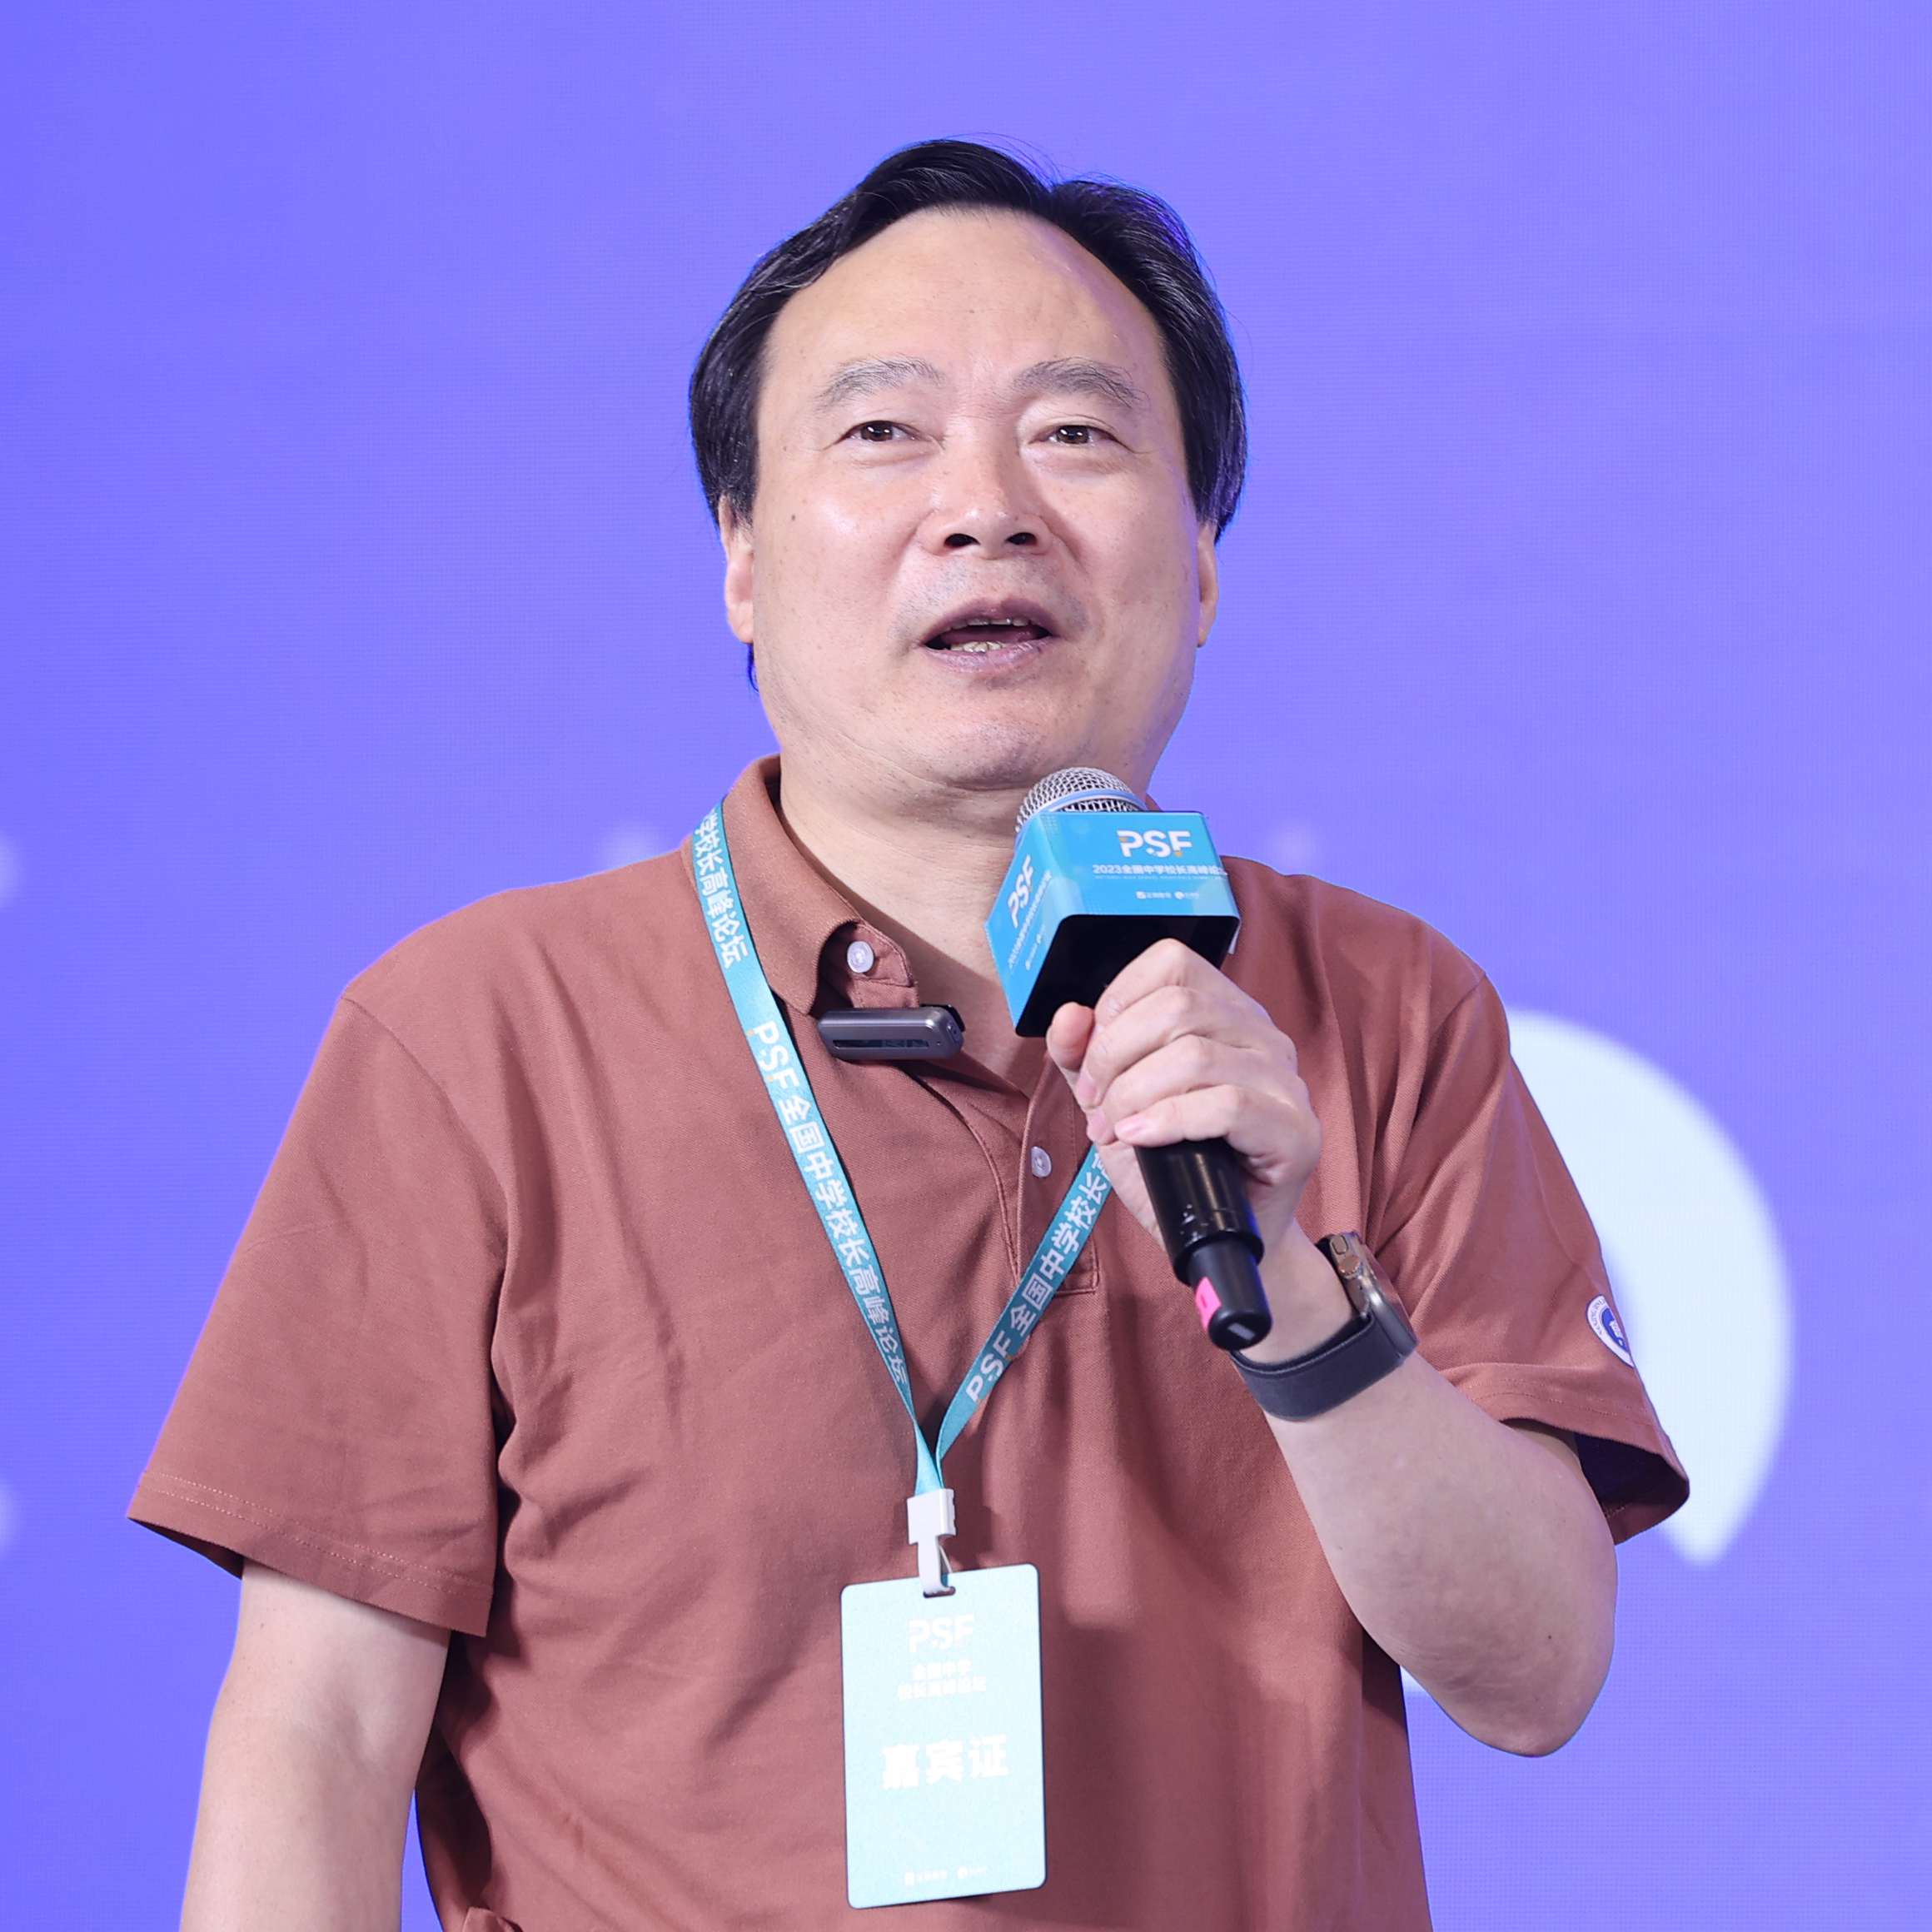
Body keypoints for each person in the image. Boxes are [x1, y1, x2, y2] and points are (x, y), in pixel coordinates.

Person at [132, 138, 1687, 1930]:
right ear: (738, 556)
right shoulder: (477, 1038)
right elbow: (318, 1734)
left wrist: (1288, 1286)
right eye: (883, 432)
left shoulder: (1381, 1006)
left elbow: (1534, 1671)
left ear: (1201, 565)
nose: (985, 507)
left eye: (1076, 433)